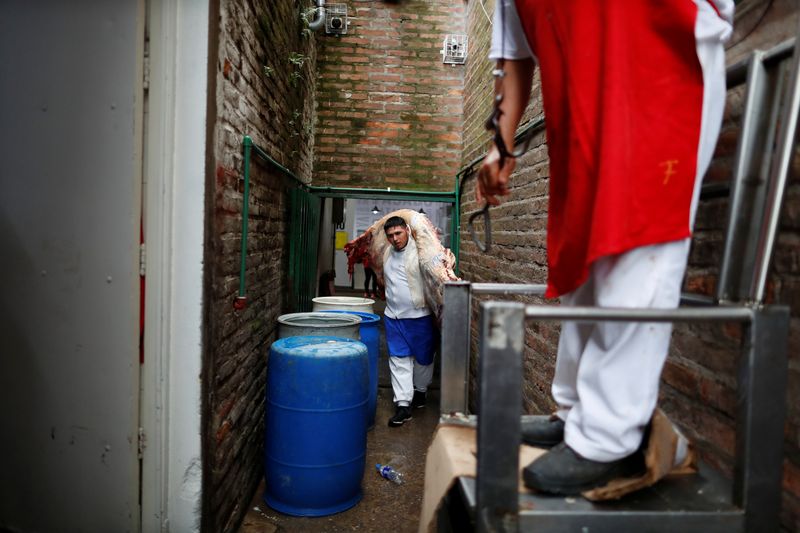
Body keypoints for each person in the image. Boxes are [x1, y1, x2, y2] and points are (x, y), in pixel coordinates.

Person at [478, 0, 733, 494]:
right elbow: (513, 54)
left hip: (660, 65)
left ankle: (610, 435)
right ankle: (576, 414)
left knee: (638, 241)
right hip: (578, 96)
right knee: (582, 250)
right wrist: (501, 144)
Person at [381, 216, 437, 427]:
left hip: (419, 316)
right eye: (390, 236)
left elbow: (439, 265)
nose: (394, 239)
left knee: (424, 359)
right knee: (399, 359)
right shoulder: (387, 252)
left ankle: (420, 391)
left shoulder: (421, 251)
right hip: (393, 316)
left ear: (407, 230)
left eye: (398, 233)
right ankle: (403, 405)